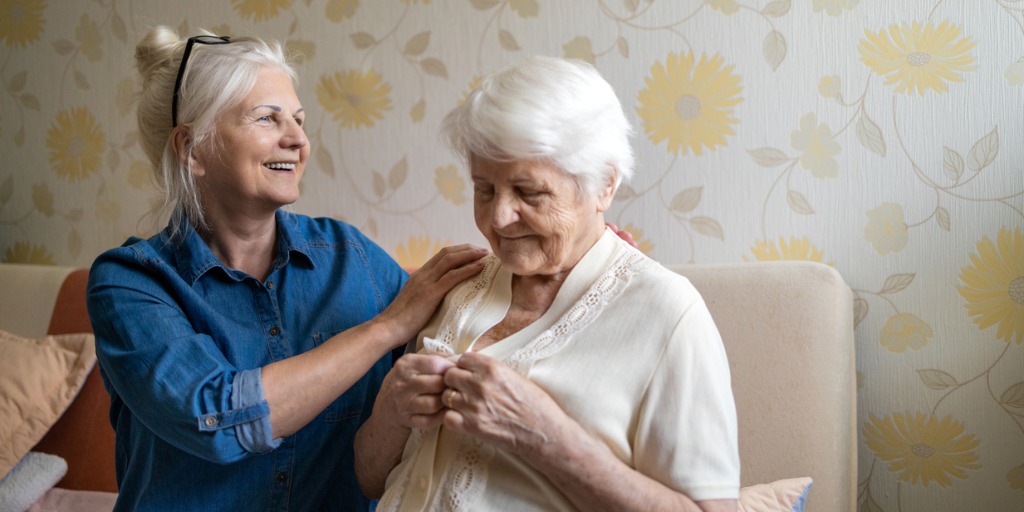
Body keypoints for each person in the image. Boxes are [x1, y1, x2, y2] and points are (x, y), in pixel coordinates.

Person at [85, 26, 488, 511]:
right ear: (192, 150)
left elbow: (470, 326)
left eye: (298, 120)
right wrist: (384, 328)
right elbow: (216, 418)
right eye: (266, 119)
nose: (298, 140)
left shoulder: (349, 256)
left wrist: (585, 261)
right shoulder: (130, 283)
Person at [353, 55, 741, 511]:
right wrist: (392, 410)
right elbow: (371, 479)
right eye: (484, 189)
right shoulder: (457, 284)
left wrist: (546, 439)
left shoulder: (668, 314)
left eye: (529, 192)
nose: (498, 217)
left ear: (604, 187)